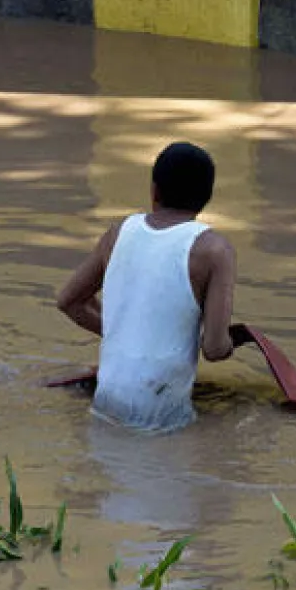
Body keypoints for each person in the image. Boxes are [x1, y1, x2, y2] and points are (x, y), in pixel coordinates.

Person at [56, 142, 239, 433]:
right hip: (161, 410)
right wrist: (236, 342)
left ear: (154, 191)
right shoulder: (214, 250)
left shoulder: (118, 234)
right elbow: (215, 349)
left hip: (106, 398)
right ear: (206, 199)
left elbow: (69, 301)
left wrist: (126, 333)